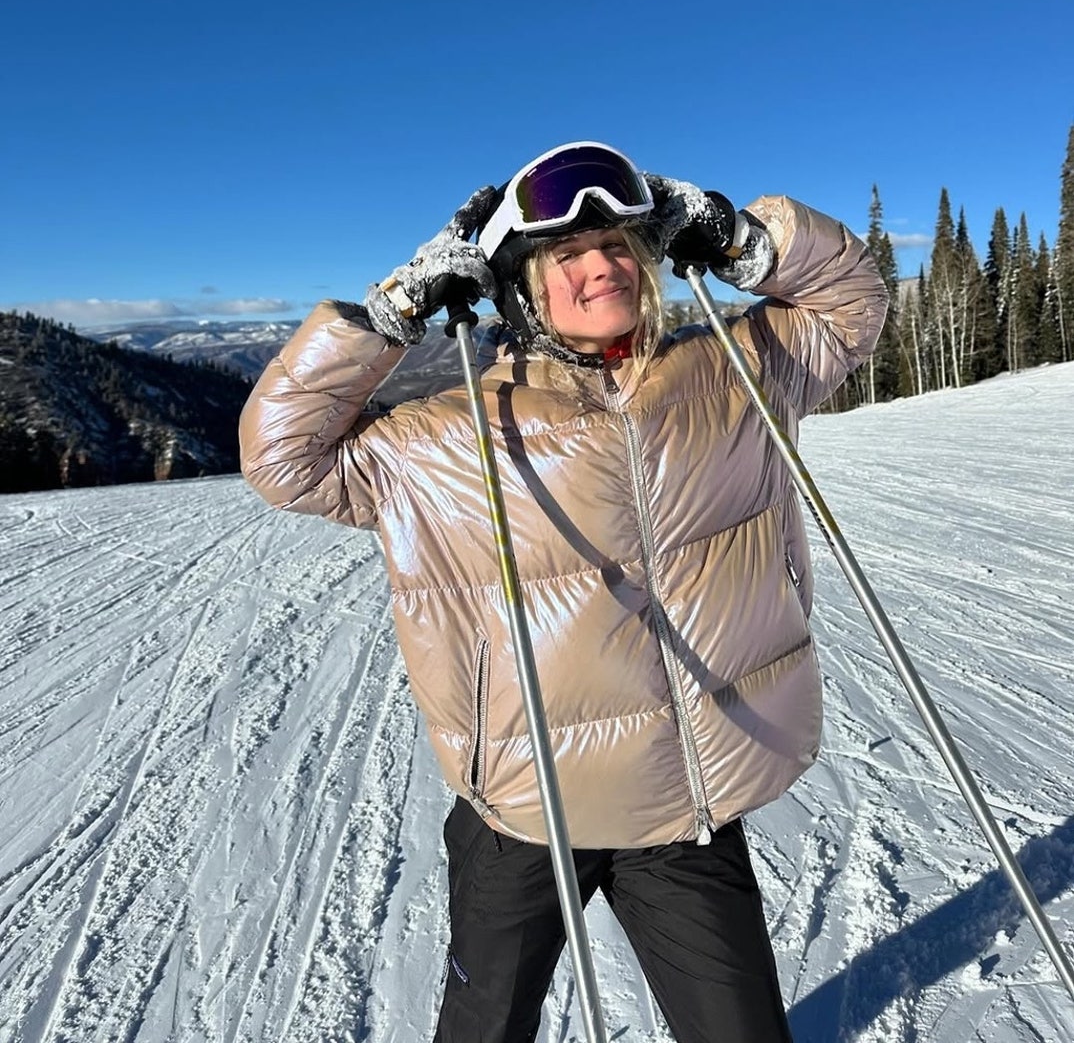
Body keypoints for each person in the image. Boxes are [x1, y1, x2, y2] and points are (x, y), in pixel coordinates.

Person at [239, 141, 889, 1042]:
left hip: (682, 814)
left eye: (619, 244)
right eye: (566, 257)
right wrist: (389, 314)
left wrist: (744, 239)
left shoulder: (733, 376)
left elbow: (853, 301)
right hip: (523, 811)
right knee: (486, 1027)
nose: (601, 268)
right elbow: (281, 456)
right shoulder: (448, 435)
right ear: (521, 289)